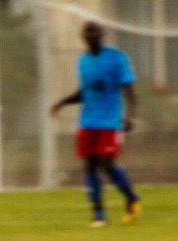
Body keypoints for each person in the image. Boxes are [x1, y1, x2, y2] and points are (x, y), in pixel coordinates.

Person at [51, 21, 141, 227]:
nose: (91, 35)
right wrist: (62, 102)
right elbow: (85, 92)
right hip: (88, 121)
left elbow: (129, 89)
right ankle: (98, 213)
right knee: (89, 165)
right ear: (83, 37)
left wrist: (131, 115)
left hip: (110, 121)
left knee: (106, 163)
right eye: (87, 32)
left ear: (102, 35)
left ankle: (131, 198)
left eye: (95, 31)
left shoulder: (116, 58)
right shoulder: (83, 61)